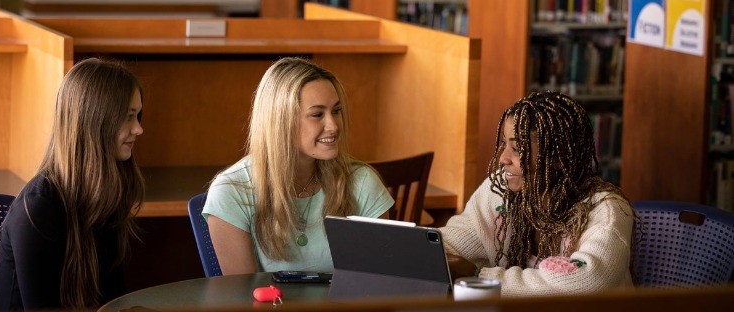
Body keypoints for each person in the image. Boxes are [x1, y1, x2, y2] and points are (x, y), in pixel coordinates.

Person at [203, 57, 394, 274]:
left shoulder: (362, 181)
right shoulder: (231, 191)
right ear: (281, 120)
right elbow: (243, 298)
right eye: (317, 114)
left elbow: (379, 284)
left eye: (336, 111)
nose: (333, 125)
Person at [440, 90, 635, 296]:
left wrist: (480, 277)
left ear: (559, 157)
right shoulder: (501, 190)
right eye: (504, 144)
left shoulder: (607, 209)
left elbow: (587, 280)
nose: (503, 159)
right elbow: (450, 245)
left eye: (517, 149)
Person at [0, 58, 146, 310]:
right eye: (128, 117)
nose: (138, 129)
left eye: (137, 115)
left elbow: (114, 298)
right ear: (94, 122)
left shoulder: (106, 193)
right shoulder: (37, 208)